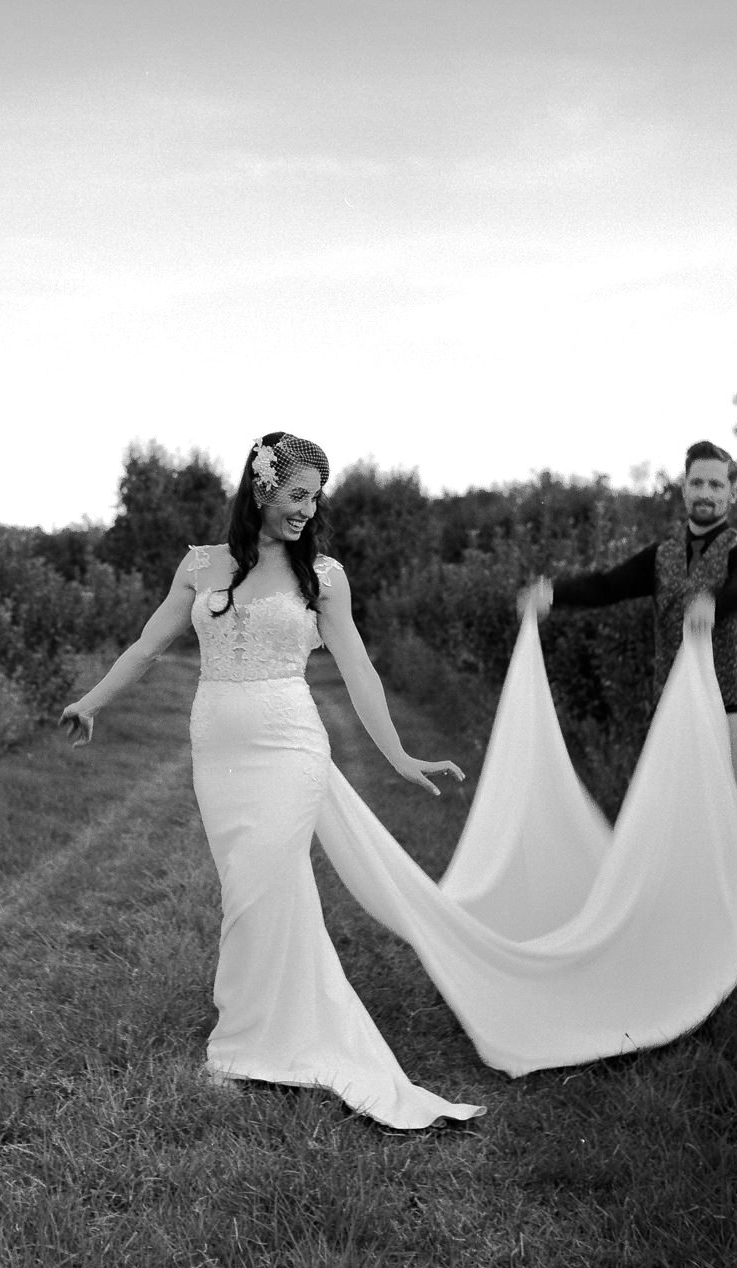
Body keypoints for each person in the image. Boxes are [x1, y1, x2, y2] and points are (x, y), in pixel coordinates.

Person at [60, 432, 485, 1129]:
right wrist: (91, 702)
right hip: (216, 748)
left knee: (259, 886)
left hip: (290, 746)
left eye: (314, 497)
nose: (306, 509)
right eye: (296, 494)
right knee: (248, 889)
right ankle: (277, 1029)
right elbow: (147, 646)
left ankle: (237, 1050)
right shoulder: (201, 565)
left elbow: (358, 668)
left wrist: (399, 755)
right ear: (260, 489)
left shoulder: (323, 576)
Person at [518, 440, 737, 836]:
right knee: (671, 837)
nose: (705, 493)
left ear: (732, 493)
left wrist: (714, 602)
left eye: (716, 485)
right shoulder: (662, 556)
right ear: (684, 489)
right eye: (697, 483)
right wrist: (553, 594)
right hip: (674, 719)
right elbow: (607, 586)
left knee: (728, 841)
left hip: (729, 719)